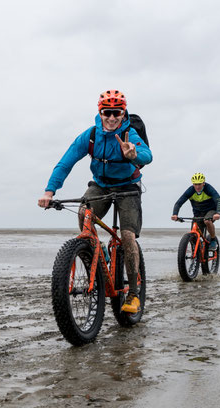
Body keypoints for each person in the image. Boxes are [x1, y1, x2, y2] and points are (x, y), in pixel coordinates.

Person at [37, 90, 153, 314]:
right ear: (100, 113)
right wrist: (49, 191)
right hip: (101, 184)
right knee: (84, 214)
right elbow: (65, 162)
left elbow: (148, 156)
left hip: (128, 186)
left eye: (116, 113)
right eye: (106, 112)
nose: (111, 118)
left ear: (123, 113)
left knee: (127, 237)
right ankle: (98, 250)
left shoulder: (130, 134)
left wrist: (133, 154)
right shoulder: (90, 136)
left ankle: (133, 294)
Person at [170, 173, 220, 250]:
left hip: (211, 211)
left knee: (207, 221)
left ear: (203, 183)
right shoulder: (190, 190)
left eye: (199, 184)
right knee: (194, 235)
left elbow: (218, 200)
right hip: (198, 213)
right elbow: (179, 203)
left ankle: (213, 240)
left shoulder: (209, 189)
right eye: (195, 184)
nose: (197, 186)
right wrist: (175, 214)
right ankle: (197, 253)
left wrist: (218, 213)